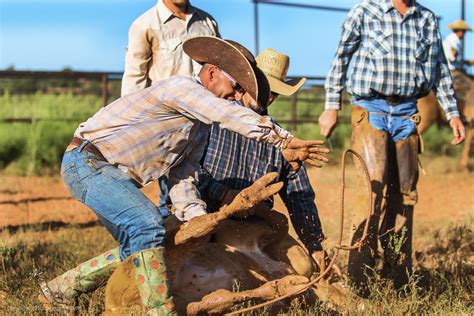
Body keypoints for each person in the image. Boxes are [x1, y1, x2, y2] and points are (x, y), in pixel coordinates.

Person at [38, 36, 326, 314]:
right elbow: (225, 114)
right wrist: (284, 140)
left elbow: (182, 176)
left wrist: (197, 217)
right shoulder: (183, 90)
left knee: (142, 248)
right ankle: (160, 311)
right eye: (237, 86)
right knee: (148, 227)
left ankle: (61, 289)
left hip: (104, 169)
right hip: (88, 161)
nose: (237, 96)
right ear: (212, 73)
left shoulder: (198, 128)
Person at [319, 0, 466, 293]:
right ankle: (359, 277)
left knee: (406, 195)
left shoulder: (425, 18)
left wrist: (452, 113)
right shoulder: (364, 11)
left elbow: (439, 68)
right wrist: (331, 105)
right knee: (372, 190)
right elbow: (341, 58)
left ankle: (398, 273)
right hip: (369, 109)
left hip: (407, 113)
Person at [198, 48, 329, 271]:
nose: (268, 95)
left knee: (304, 267)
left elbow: (300, 196)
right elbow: (189, 171)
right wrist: (223, 194)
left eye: (274, 92)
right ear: (245, 83)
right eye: (263, 87)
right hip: (210, 216)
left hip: (255, 225)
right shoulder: (214, 118)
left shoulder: (281, 139)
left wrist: (314, 242)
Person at [122, 0, 220, 218]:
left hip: (206, 122)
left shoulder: (207, 22)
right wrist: (135, 126)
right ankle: (170, 240)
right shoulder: (145, 25)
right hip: (169, 125)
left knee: (207, 184)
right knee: (173, 192)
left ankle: (207, 242)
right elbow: (134, 79)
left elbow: (219, 69)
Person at [121, 0, 219, 96]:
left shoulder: (208, 22)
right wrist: (130, 111)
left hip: (205, 106)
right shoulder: (144, 25)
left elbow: (221, 66)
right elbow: (135, 76)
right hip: (168, 109)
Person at [443, 20, 473, 117]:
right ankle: (468, 114)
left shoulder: (452, 39)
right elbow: (452, 57)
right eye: (463, 32)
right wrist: (454, 55)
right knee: (472, 85)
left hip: (456, 70)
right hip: (454, 71)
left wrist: (467, 62)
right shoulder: (453, 40)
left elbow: (456, 59)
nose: (464, 34)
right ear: (460, 31)